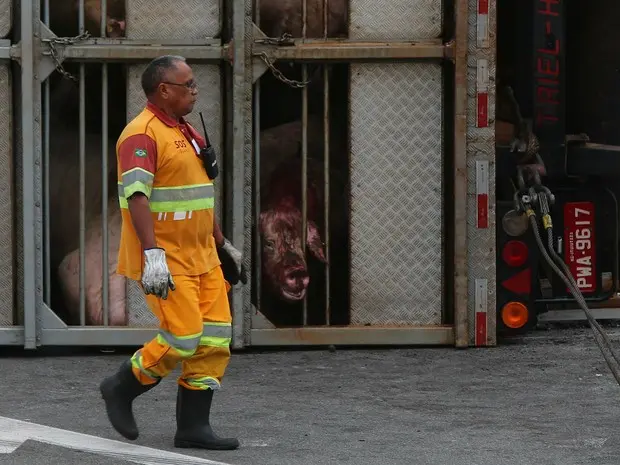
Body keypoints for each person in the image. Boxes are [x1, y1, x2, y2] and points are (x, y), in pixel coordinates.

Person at [99, 55, 245, 451]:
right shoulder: (141, 134)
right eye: (189, 85)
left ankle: (193, 428)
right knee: (183, 336)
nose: (195, 91)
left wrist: (221, 243)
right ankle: (121, 386)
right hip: (167, 256)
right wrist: (153, 256)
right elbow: (137, 197)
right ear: (164, 90)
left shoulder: (186, 130)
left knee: (214, 340)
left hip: (203, 255)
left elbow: (199, 195)